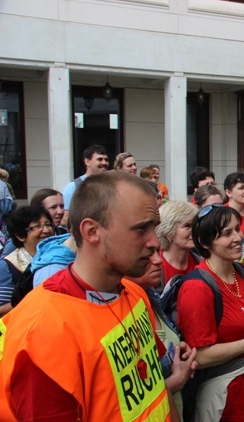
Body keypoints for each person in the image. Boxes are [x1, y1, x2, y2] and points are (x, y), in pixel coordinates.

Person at [0, 171, 184, 420]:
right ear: (91, 231)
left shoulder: (135, 294)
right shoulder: (43, 332)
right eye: (141, 229)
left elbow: (156, 391)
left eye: (155, 227)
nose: (155, 242)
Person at [177, 204, 244, 421]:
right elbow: (200, 356)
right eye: (227, 233)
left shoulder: (243, 272)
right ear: (206, 243)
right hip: (222, 401)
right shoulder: (197, 287)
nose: (238, 237)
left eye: (237, 228)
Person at [126, 257, 197, 420]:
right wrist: (176, 381)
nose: (158, 260)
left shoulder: (150, 296)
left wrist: (180, 352)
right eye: (145, 257)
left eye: (157, 252)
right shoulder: (122, 318)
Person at [0, 206, 55, 316]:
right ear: (20, 236)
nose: (46, 230)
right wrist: (31, 299)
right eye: (37, 226)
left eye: (48, 224)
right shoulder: (8, 265)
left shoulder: (59, 258)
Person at [1, 188, 67, 258]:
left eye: (62, 206)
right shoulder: (15, 243)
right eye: (53, 207)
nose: (60, 211)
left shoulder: (64, 234)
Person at [156, 200, 200, 289]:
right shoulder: (155, 268)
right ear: (168, 232)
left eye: (195, 225)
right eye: (187, 226)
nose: (194, 230)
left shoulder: (199, 262)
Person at [61, 144, 109, 212]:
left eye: (106, 160)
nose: (104, 163)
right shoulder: (73, 186)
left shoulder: (110, 185)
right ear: (87, 161)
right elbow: (66, 217)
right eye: (100, 159)